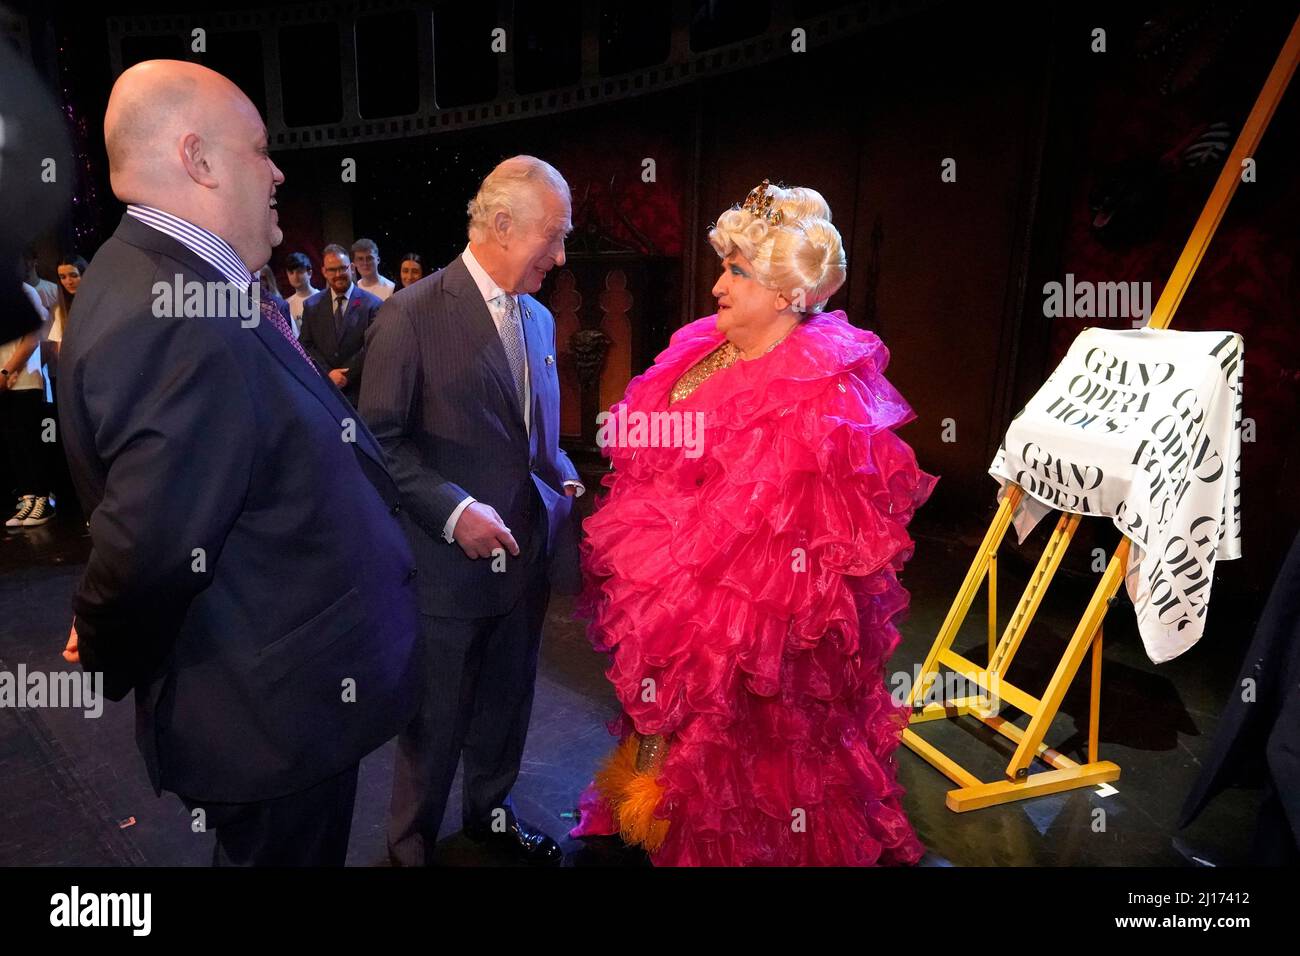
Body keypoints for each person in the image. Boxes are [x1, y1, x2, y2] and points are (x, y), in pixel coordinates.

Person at [57, 59, 421, 866]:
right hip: (270, 718)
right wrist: (103, 624)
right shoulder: (173, 313)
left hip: (282, 702)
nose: (279, 169)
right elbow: (148, 545)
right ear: (200, 160)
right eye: (261, 148)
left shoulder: (182, 284)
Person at [569, 180, 935, 866]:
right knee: (662, 714)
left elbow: (801, 546)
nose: (717, 288)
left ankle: (720, 830)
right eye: (725, 267)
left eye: (736, 271)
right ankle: (652, 802)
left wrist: (696, 593)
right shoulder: (699, 351)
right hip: (667, 590)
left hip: (746, 622)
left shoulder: (817, 390)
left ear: (784, 293)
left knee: (734, 739)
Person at [361, 155, 584, 866]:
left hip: (524, 570)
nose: (561, 255)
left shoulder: (542, 320)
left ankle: (489, 817)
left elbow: (533, 440)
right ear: (499, 224)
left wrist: (566, 480)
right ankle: (409, 849)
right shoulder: (411, 313)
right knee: (435, 726)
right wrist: (456, 513)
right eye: (553, 236)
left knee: (505, 711)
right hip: (445, 577)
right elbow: (379, 446)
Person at [299, 243, 381, 405]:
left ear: (351, 267)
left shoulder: (372, 304)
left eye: (342, 268)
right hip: (325, 392)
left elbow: (372, 346)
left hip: (361, 394)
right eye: (332, 270)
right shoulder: (311, 305)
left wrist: (345, 376)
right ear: (324, 271)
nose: (338, 274)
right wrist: (328, 373)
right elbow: (306, 345)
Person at [2, 277, 51, 528]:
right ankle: (27, 497)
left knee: (30, 441)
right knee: (14, 444)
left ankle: (42, 500)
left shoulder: (23, 291)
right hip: (3, 383)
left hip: (24, 379)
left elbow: (33, 336)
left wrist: (7, 371)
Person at [283, 250, 318, 336]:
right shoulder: (286, 305)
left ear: (309, 272)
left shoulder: (322, 298)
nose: (295, 276)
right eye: (291, 272)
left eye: (299, 271)